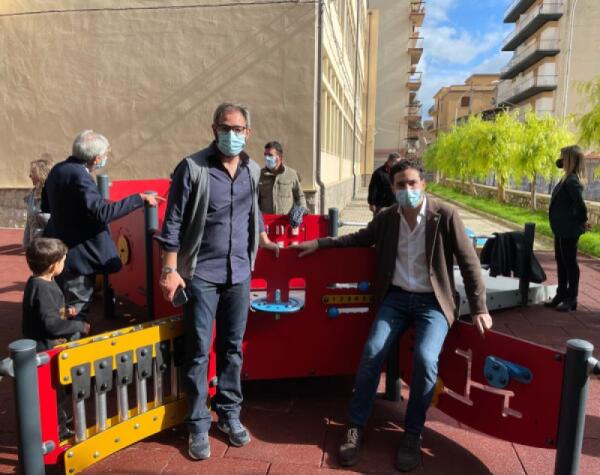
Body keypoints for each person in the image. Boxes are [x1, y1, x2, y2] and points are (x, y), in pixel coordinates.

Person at [293, 159, 492, 472]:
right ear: (393, 188)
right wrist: (320, 243)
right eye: (401, 185)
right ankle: (355, 426)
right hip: (396, 298)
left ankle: (412, 433)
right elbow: (357, 239)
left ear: (423, 185)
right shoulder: (387, 218)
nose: (407, 189)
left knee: (426, 359)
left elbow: (469, 263)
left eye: (412, 183)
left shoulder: (444, 215)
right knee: (372, 352)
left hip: (432, 302)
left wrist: (479, 307)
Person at [156, 103, 279, 461]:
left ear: (247, 133)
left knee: (233, 348)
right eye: (226, 128)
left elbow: (252, 212)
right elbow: (173, 221)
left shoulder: (252, 169)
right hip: (201, 275)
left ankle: (228, 413)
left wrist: (265, 240)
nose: (232, 135)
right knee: (198, 350)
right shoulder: (193, 167)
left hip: (239, 273)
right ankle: (197, 423)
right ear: (214, 129)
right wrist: (170, 269)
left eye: (238, 129)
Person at [42, 130, 160, 321]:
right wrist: (138, 199)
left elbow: (46, 205)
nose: (106, 158)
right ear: (96, 159)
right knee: (77, 309)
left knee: (64, 303)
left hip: (59, 249)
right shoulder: (80, 176)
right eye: (105, 154)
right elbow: (101, 213)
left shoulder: (58, 169)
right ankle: (74, 338)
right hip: (77, 255)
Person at [22, 237, 91, 439]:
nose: (64, 263)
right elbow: (51, 325)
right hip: (45, 348)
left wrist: (65, 312)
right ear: (53, 266)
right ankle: (58, 431)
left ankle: (59, 419)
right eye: (63, 260)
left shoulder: (37, 282)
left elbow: (46, 313)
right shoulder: (44, 289)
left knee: (54, 391)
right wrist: (78, 326)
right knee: (53, 392)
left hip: (43, 345)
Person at [545, 145, 589, 312]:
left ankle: (572, 298)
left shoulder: (572, 181)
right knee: (561, 261)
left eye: (563, 157)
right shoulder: (566, 178)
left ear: (569, 160)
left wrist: (582, 221)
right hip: (561, 230)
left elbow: (581, 206)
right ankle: (561, 293)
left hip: (569, 230)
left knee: (569, 263)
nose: (560, 160)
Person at [258, 141, 307, 217]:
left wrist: (301, 210)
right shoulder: (259, 175)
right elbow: (255, 200)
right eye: (265, 155)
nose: (267, 158)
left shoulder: (291, 174)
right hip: (265, 221)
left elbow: (300, 197)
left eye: (270, 155)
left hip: (285, 221)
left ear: (280, 157)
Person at [23, 155, 53, 248]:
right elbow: (29, 223)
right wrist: (26, 244)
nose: (30, 176)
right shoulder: (32, 194)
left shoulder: (53, 195)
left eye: (32, 173)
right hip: (35, 247)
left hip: (50, 246)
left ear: (40, 174)